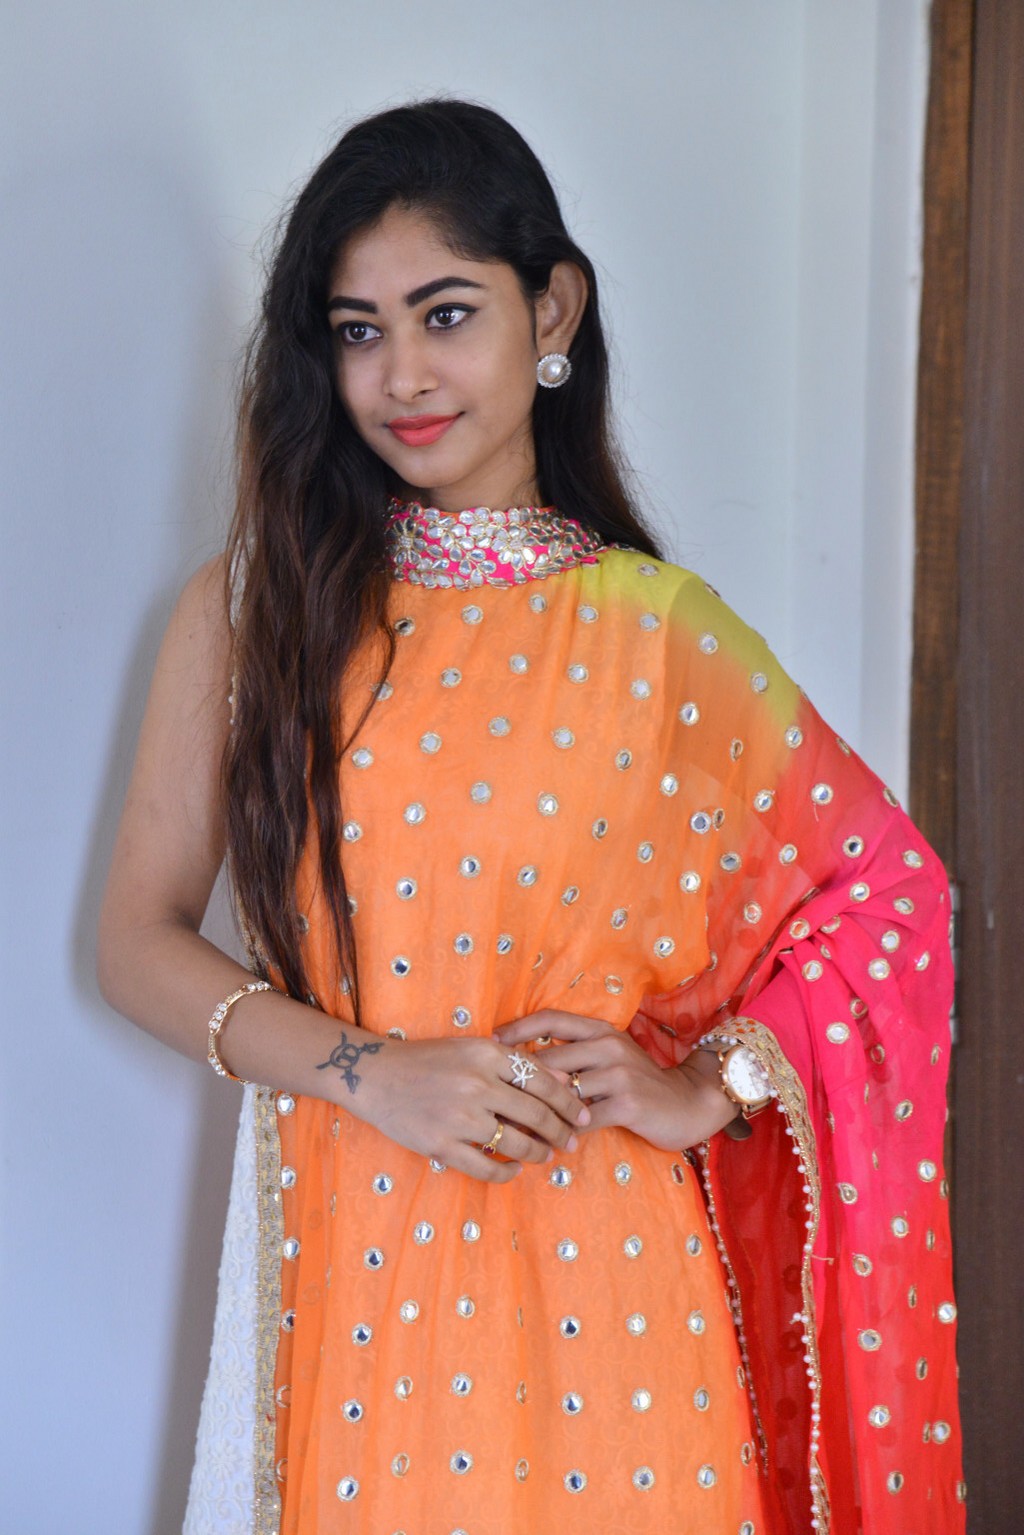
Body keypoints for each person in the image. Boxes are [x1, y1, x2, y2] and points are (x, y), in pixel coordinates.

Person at [97, 98, 965, 1535]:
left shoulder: (660, 633)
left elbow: (890, 895)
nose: (402, 375)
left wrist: (709, 1086)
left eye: (446, 314)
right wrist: (373, 1075)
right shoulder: (258, 609)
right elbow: (137, 943)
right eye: (359, 330)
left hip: (617, 1292)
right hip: (354, 1267)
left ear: (551, 308)